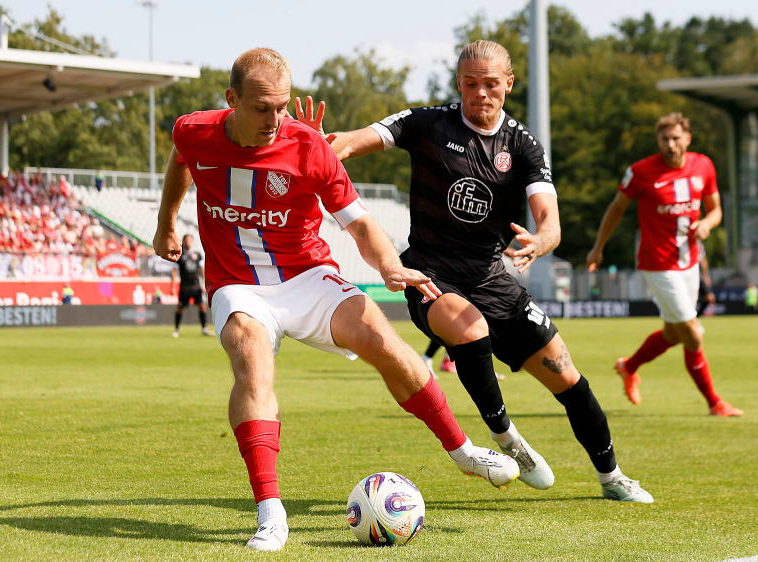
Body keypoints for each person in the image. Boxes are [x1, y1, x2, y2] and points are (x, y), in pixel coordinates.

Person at [152, 48, 518, 552]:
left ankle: (463, 451)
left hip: (307, 275)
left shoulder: (307, 147)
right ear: (231, 99)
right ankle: (270, 512)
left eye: (282, 107)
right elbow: (180, 159)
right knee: (251, 361)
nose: (275, 120)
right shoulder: (193, 131)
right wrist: (165, 222)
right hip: (238, 284)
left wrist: (388, 266)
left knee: (384, 343)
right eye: (261, 108)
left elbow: (362, 223)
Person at [310, 39, 653, 503]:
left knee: (569, 379)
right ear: (459, 84)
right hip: (430, 273)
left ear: (508, 84)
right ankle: (508, 439)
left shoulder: (524, 145)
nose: (481, 93)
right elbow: (352, 141)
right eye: (471, 83)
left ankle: (612, 477)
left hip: (493, 277)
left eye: (491, 83)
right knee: (468, 327)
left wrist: (541, 241)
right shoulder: (428, 123)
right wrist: (321, 143)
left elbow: (549, 220)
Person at [586, 112, 742, 417]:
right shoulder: (641, 172)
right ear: (658, 141)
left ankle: (628, 367)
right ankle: (715, 403)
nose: (670, 145)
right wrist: (597, 248)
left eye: (675, 138)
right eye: (664, 139)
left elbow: (716, 210)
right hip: (657, 264)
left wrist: (707, 225)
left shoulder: (704, 166)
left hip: (690, 262)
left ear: (687, 138)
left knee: (673, 333)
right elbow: (616, 209)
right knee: (693, 334)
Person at [170, 234, 212, 337]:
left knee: (202, 306)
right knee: (180, 307)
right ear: (183, 241)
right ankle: (176, 329)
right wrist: (172, 287)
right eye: (186, 240)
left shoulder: (197, 255)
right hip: (184, 286)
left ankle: (204, 328)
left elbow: (202, 269)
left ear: (192, 241)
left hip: (196, 286)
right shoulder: (179, 255)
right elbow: (174, 271)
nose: (188, 242)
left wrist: (205, 283)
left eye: (190, 240)